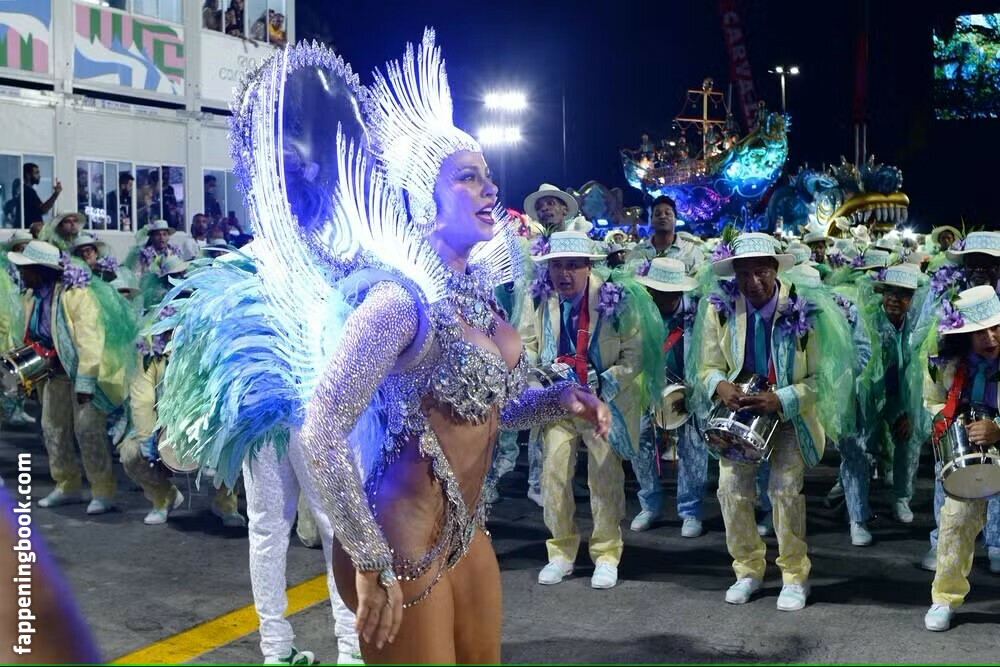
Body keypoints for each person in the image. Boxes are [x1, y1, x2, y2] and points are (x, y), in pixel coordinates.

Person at [695, 232, 831, 612]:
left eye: (761, 272)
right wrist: (720, 385)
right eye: (743, 273)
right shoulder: (721, 308)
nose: (752, 282)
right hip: (739, 412)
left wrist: (782, 398)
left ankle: (794, 575)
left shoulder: (804, 310)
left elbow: (822, 378)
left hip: (788, 414)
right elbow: (707, 366)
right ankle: (747, 570)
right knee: (730, 488)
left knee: (785, 490)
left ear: (775, 270)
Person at [922, 285, 1000, 631]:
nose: (990, 337)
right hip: (969, 453)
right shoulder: (947, 362)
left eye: (996, 328)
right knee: (955, 519)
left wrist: (997, 428)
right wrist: (952, 422)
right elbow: (932, 401)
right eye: (980, 331)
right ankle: (944, 598)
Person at [21, 163, 61, 227]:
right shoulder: (27, 191)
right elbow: (43, 210)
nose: (39, 176)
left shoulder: (28, 190)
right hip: (30, 229)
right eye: (36, 173)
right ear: (28, 175)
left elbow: (43, 210)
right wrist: (55, 194)